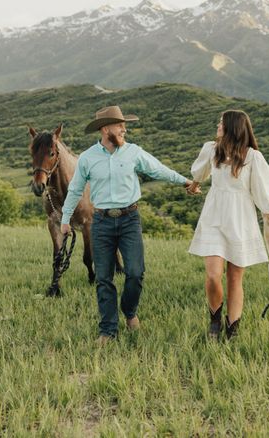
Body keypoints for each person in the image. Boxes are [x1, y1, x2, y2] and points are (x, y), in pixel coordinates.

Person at [60, 105, 198, 346]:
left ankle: (129, 310)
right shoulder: (87, 158)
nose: (124, 129)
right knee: (104, 278)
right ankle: (108, 330)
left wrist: (185, 181)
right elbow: (75, 190)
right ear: (105, 130)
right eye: (119, 125)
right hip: (100, 222)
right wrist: (64, 219)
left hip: (129, 219)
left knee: (135, 272)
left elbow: (158, 170)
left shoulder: (134, 152)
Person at [188, 109, 269, 340]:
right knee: (213, 275)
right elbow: (199, 173)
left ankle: (232, 329)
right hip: (214, 217)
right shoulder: (211, 150)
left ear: (233, 127)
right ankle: (215, 320)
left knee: (234, 277)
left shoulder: (253, 158)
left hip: (241, 219)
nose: (218, 126)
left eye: (221, 123)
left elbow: (264, 196)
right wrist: (193, 184)